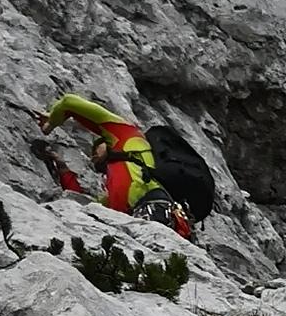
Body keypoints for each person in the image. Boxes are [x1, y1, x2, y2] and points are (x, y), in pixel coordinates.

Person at [35, 92, 215, 237]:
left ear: (106, 141)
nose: (92, 156)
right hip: (136, 220)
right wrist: (63, 169)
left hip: (154, 207)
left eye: (95, 148)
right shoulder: (113, 188)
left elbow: (70, 102)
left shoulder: (128, 137)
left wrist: (51, 121)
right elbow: (86, 205)